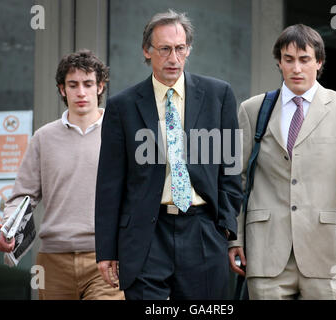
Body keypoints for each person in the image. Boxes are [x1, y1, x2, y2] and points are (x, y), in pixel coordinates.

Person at [95, 10, 242, 300]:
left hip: (202, 229)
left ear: (188, 49)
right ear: (147, 52)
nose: (173, 58)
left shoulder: (218, 95)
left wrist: (224, 225)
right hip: (146, 234)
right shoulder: (122, 106)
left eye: (180, 48)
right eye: (164, 49)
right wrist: (107, 249)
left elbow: (231, 168)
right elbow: (109, 184)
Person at [228, 24, 336, 300]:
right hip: (265, 252)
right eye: (289, 59)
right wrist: (234, 237)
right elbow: (237, 179)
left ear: (319, 62)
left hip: (325, 252)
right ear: (279, 62)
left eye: (304, 59)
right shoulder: (253, 110)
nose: (296, 68)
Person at [0, 50, 124, 300]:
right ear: (62, 89)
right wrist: (8, 229)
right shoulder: (43, 138)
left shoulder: (120, 133)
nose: (81, 92)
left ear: (100, 87)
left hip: (107, 258)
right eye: (73, 84)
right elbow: (23, 195)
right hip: (53, 261)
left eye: (88, 84)